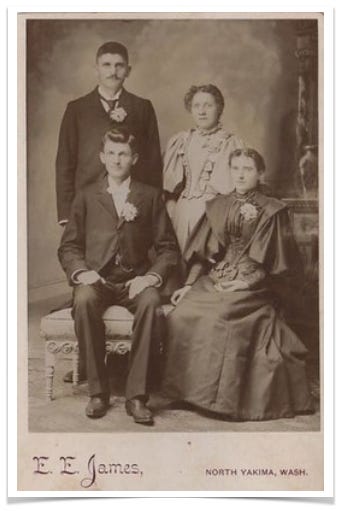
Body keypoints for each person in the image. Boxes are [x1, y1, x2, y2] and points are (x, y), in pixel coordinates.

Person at [161, 148, 314, 421]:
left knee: (222, 316)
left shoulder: (273, 210)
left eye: (248, 169)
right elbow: (202, 254)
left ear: (260, 173)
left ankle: (220, 401)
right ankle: (186, 394)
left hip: (255, 285)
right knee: (182, 313)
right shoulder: (218, 204)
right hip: (217, 276)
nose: (241, 174)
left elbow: (276, 265)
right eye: (236, 168)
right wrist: (189, 284)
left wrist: (245, 283)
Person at [58, 128, 178, 425]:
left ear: (134, 158)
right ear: (102, 157)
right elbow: (69, 246)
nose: (116, 159)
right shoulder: (86, 196)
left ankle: (137, 396)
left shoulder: (149, 196)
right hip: (97, 279)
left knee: (151, 303)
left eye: (123, 153)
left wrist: (149, 278)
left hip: (134, 280)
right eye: (111, 153)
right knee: (84, 300)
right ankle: (98, 392)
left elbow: (168, 249)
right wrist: (82, 272)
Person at [56, 41, 162, 225]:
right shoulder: (76, 109)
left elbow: (153, 161)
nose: (113, 71)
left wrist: (154, 207)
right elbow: (65, 162)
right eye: (106, 65)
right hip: (88, 201)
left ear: (128, 70)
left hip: (133, 202)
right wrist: (67, 214)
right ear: (96, 69)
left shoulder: (142, 107)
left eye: (119, 65)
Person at [163, 84, 244, 253]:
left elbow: (236, 189)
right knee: (179, 264)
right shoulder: (181, 141)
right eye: (196, 106)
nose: (202, 111)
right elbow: (170, 187)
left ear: (219, 108)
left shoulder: (231, 143)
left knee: (206, 265)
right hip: (182, 212)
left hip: (214, 214)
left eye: (208, 105)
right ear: (190, 109)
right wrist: (171, 208)